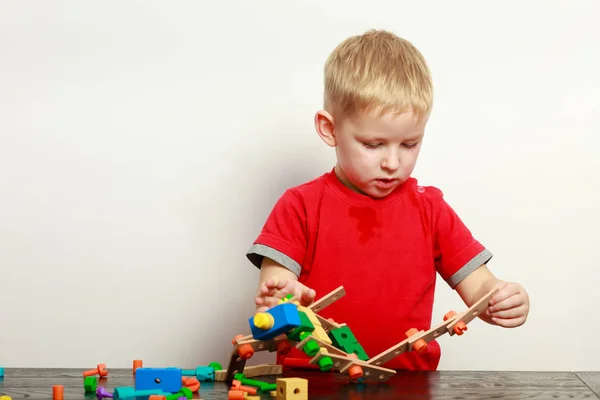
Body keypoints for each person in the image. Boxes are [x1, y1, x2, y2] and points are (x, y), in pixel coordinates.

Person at [245, 29, 530, 370]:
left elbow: (480, 288)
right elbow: (274, 300)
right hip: (310, 386)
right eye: (373, 144)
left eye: (409, 144)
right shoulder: (299, 205)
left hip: (407, 386)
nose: (393, 163)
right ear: (329, 129)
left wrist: (502, 297)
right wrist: (279, 300)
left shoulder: (431, 209)